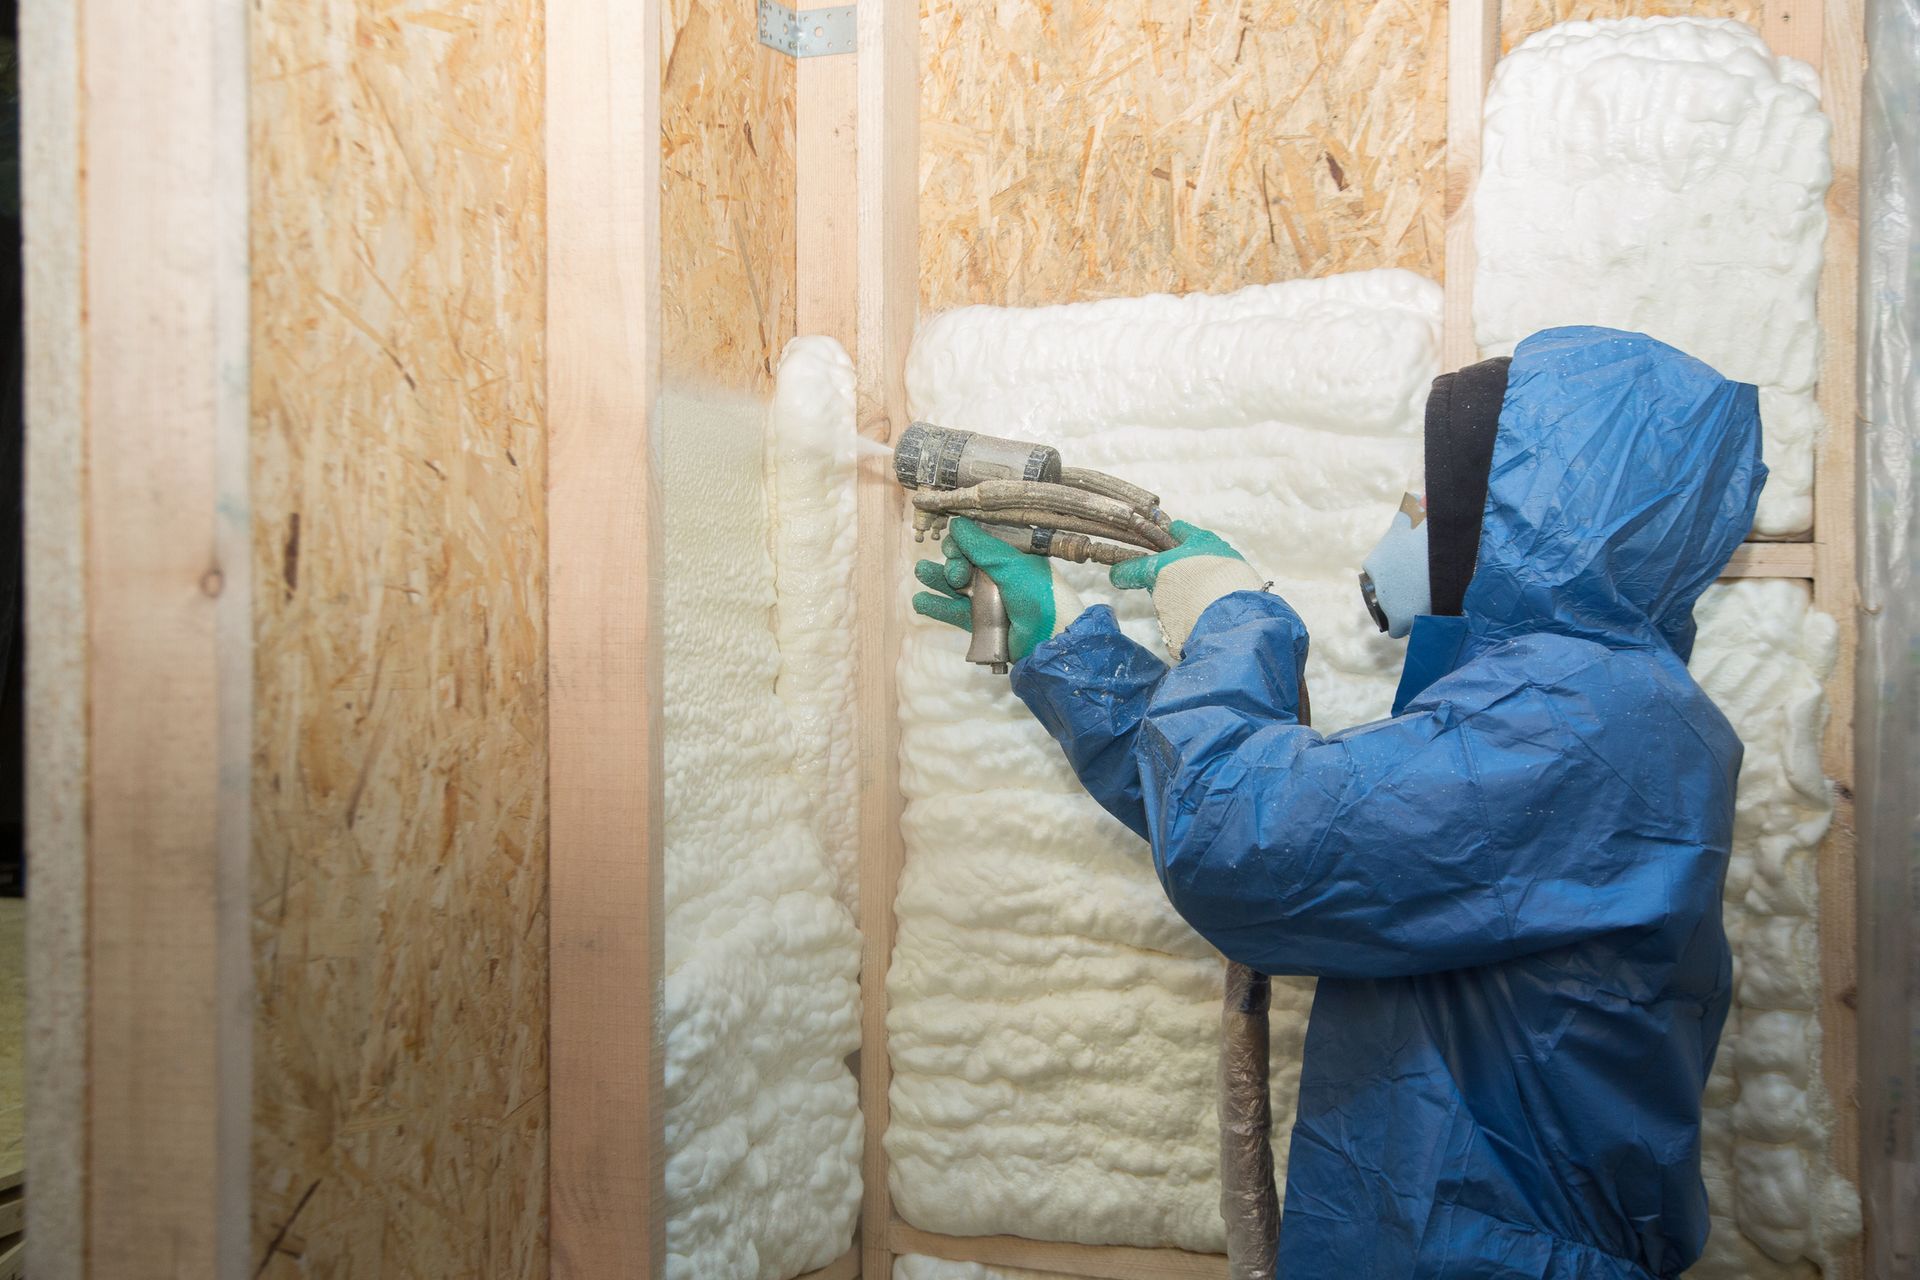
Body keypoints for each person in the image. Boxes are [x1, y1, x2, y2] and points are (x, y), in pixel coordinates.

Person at [910, 326, 1764, 1280]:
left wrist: (1237, 616)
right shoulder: (1570, 710)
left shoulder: (1582, 722)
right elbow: (1315, 837)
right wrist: (1066, 647)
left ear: (1519, 522)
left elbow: (1247, 842)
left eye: (1427, 497)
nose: (1408, 520)